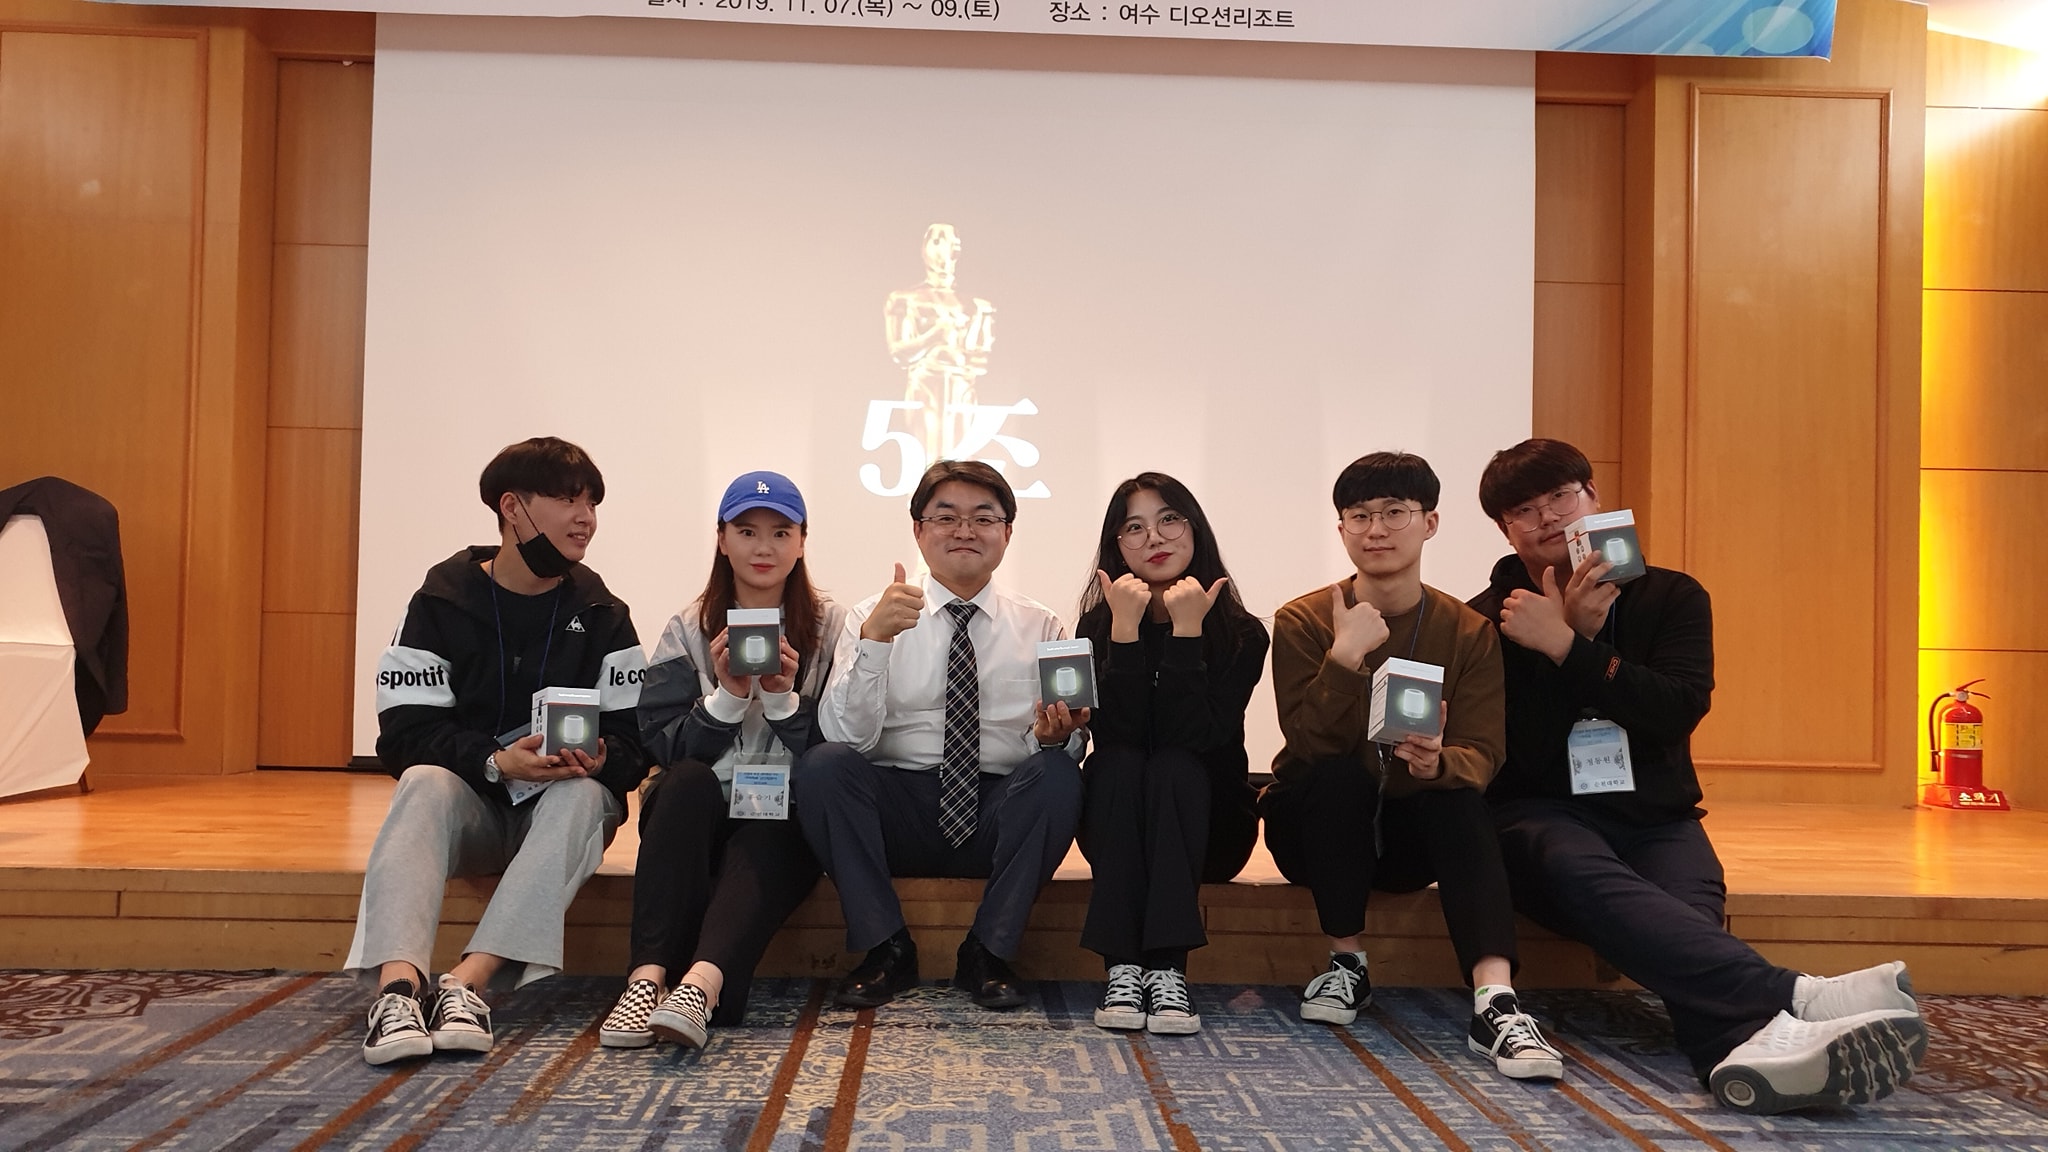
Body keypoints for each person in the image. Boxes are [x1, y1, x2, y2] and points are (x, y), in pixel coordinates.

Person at [1469, 438, 1925, 1113]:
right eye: (1524, 511)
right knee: (1579, 869)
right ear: (1505, 530)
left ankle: (1740, 1060)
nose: (1549, 519)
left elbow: (1674, 713)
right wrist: (1559, 647)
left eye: (1561, 497)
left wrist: (1574, 648)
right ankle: (1798, 995)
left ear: (1593, 496)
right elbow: (1518, 757)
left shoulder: (1670, 595)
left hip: (1657, 817)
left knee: (1685, 915)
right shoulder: (1486, 619)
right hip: (1540, 817)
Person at [347, 437, 652, 1065]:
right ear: (512, 508)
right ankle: (396, 990)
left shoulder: (603, 614)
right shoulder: (441, 601)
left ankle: (465, 985)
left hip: (558, 818)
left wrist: (602, 758)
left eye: (592, 503)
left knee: (584, 795)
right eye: (568, 500)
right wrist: (495, 761)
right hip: (476, 812)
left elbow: (636, 740)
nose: (586, 518)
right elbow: (403, 734)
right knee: (423, 781)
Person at [1259, 452, 1564, 1080]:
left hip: (1410, 833)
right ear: (1341, 528)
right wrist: (1344, 658)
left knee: (1459, 798)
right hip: (1317, 833)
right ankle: (1347, 965)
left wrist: (1437, 763)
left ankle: (1496, 1001)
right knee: (1336, 776)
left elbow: (1483, 752)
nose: (1376, 529)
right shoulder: (1303, 620)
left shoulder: (1468, 629)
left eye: (1395, 512)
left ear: (1430, 523)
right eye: (1360, 515)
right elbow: (1309, 745)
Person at [794, 460, 1085, 1010]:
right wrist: (875, 642)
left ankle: (988, 952)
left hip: (996, 810)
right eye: (946, 517)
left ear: (1007, 533)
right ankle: (886, 948)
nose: (964, 531)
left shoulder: (1041, 626)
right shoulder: (870, 615)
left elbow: (1064, 744)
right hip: (898, 808)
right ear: (918, 530)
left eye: (983, 518)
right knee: (823, 767)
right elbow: (845, 736)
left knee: (1057, 773)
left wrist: (1054, 739)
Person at [597, 471, 845, 1051]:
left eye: (781, 532)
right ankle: (645, 981)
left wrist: (783, 701)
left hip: (783, 816)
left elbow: (842, 743)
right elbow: (660, 743)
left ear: (802, 542)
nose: (764, 547)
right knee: (684, 781)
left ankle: (699, 988)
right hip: (699, 813)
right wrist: (727, 698)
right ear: (721, 538)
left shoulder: (832, 626)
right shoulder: (688, 627)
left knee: (781, 819)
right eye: (747, 531)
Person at [1071, 473, 1268, 1035]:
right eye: (1133, 527)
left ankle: (1167, 969)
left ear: (1194, 528)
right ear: (1116, 547)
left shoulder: (1241, 632)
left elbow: (1195, 737)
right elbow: (1119, 735)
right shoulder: (1099, 625)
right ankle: (1122, 968)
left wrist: (1186, 634)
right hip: (1124, 826)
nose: (1154, 537)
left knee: (1176, 765)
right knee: (1116, 763)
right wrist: (1125, 633)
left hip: (1210, 832)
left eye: (1169, 519)